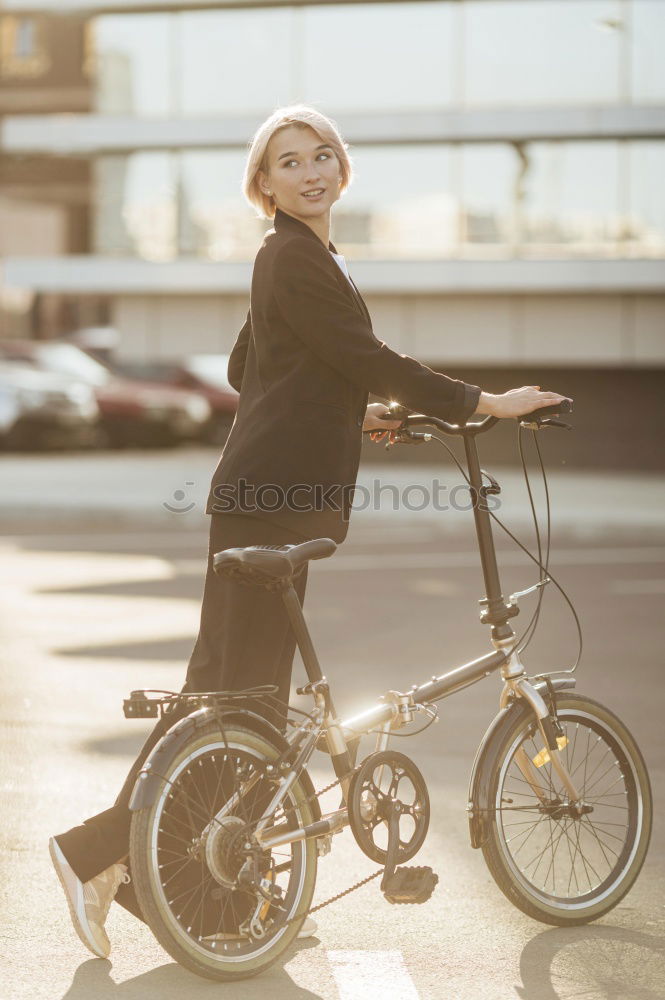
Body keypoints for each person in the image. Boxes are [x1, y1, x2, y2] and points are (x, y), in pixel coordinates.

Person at [49, 104, 568, 960]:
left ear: (343, 169)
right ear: (264, 186)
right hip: (268, 498)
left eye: (323, 155)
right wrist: (486, 402)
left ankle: (184, 892)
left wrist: (346, 411)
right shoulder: (297, 257)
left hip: (264, 492)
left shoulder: (294, 258)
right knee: (232, 701)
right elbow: (362, 354)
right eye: (288, 162)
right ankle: (95, 854)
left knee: (233, 698)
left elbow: (250, 366)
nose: (311, 171)